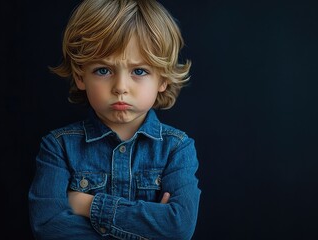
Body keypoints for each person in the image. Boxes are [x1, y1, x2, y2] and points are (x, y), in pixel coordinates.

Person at [28, 0, 201, 239]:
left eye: (139, 71)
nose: (120, 87)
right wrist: (149, 227)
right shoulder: (58, 147)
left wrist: (87, 205)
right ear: (81, 76)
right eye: (103, 70)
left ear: (163, 79)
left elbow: (179, 227)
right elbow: (48, 227)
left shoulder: (177, 148)